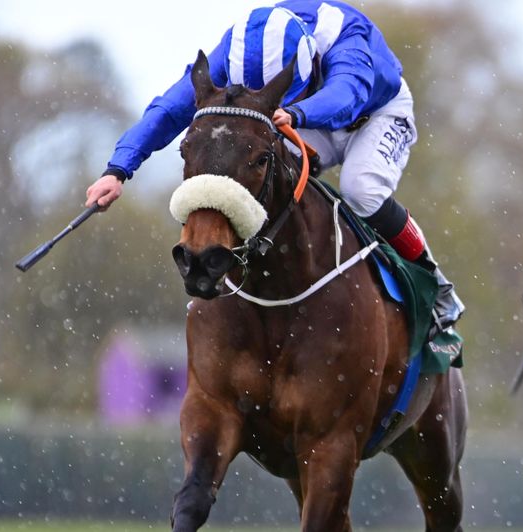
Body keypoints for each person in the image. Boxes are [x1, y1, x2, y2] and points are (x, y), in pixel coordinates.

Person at [85, 1, 463, 334]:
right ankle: (229, 274)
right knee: (259, 166)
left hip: (374, 114)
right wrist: (117, 169)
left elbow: (347, 96)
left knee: (361, 189)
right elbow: (170, 109)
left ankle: (434, 280)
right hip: (296, 114)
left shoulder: (347, 40)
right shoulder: (235, 50)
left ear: (309, 59)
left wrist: (297, 112)